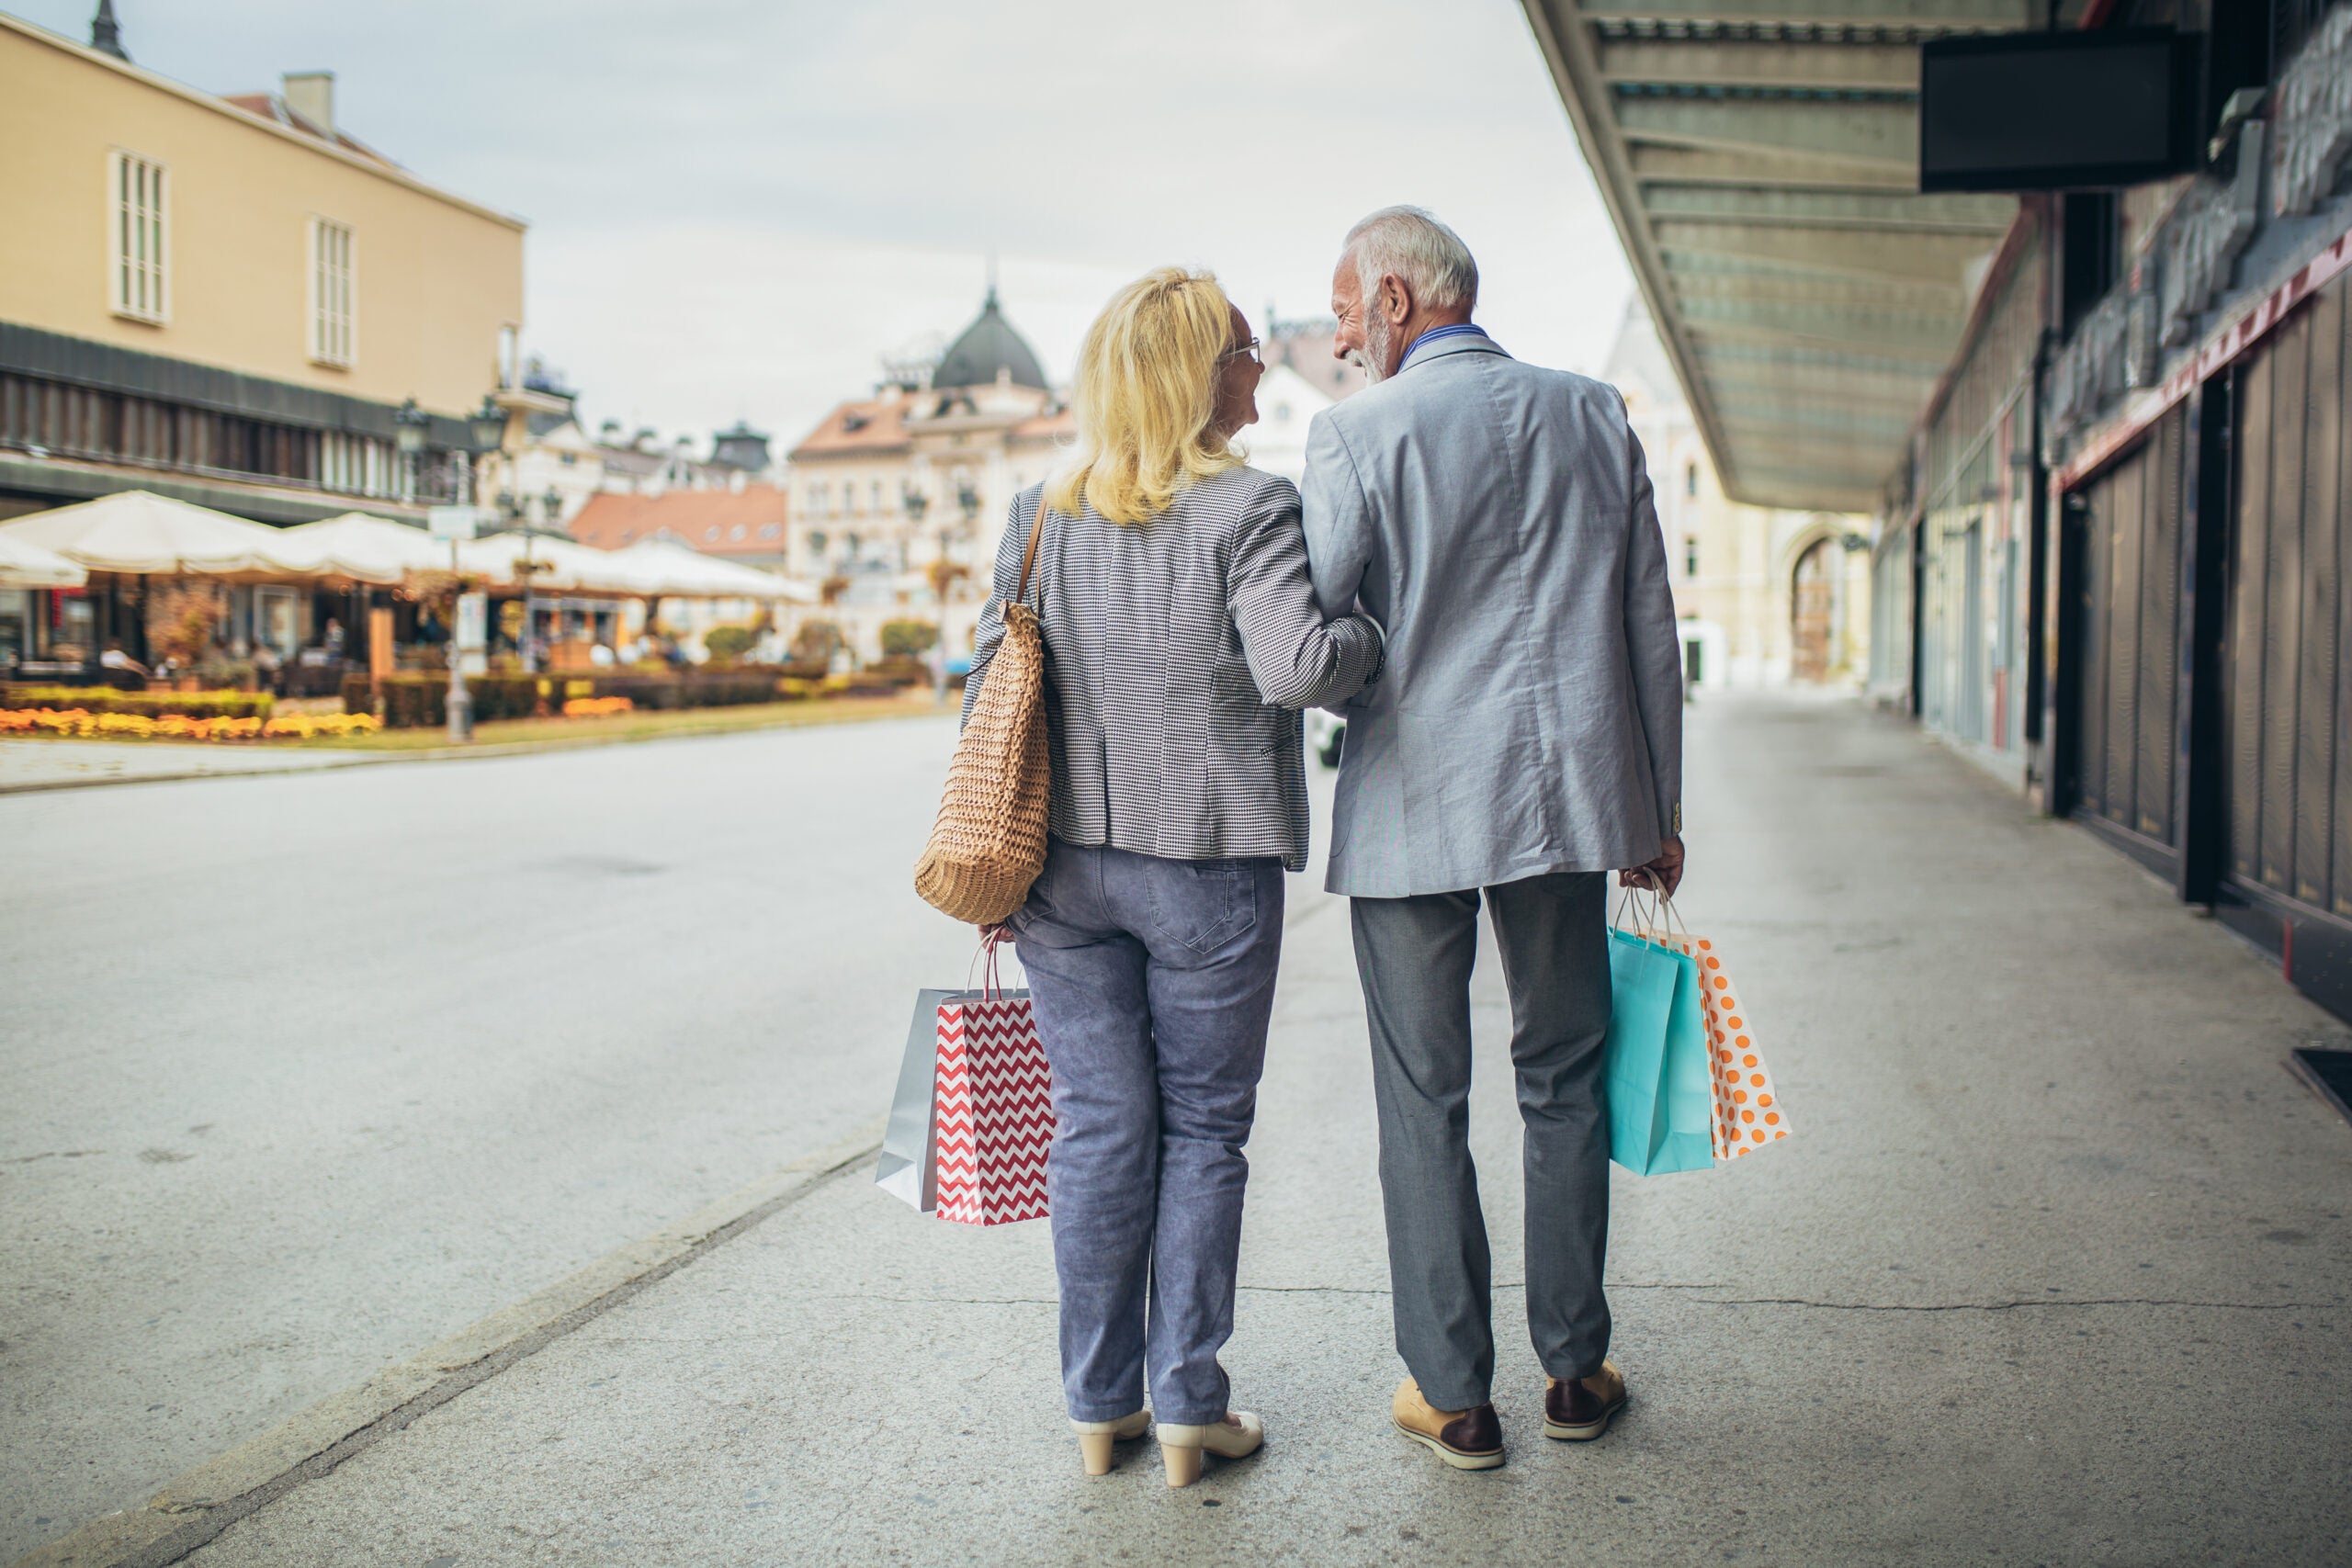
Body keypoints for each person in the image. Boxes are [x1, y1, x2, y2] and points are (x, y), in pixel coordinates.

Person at [966, 266, 1384, 1487]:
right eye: (1246, 351)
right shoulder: (1253, 506)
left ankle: (1101, 1406)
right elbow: (1303, 666)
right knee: (1203, 1134)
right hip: (1205, 864)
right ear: (1199, 375)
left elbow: (994, 684)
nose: (1261, 368)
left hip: (1058, 876)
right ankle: (1191, 1404)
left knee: (1100, 1130)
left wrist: (995, 866)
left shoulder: (1039, 515)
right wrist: (1373, 633)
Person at [1300, 207, 1685, 1471]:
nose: (1342, 333)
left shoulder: (1353, 435)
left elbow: (1329, 637)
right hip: (1568, 803)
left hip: (1412, 802)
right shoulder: (1593, 412)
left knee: (1424, 1098)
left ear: (1403, 299)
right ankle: (1576, 1370)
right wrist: (1656, 810)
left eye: (1350, 307)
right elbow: (1647, 624)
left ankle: (1455, 1397)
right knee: (1564, 1078)